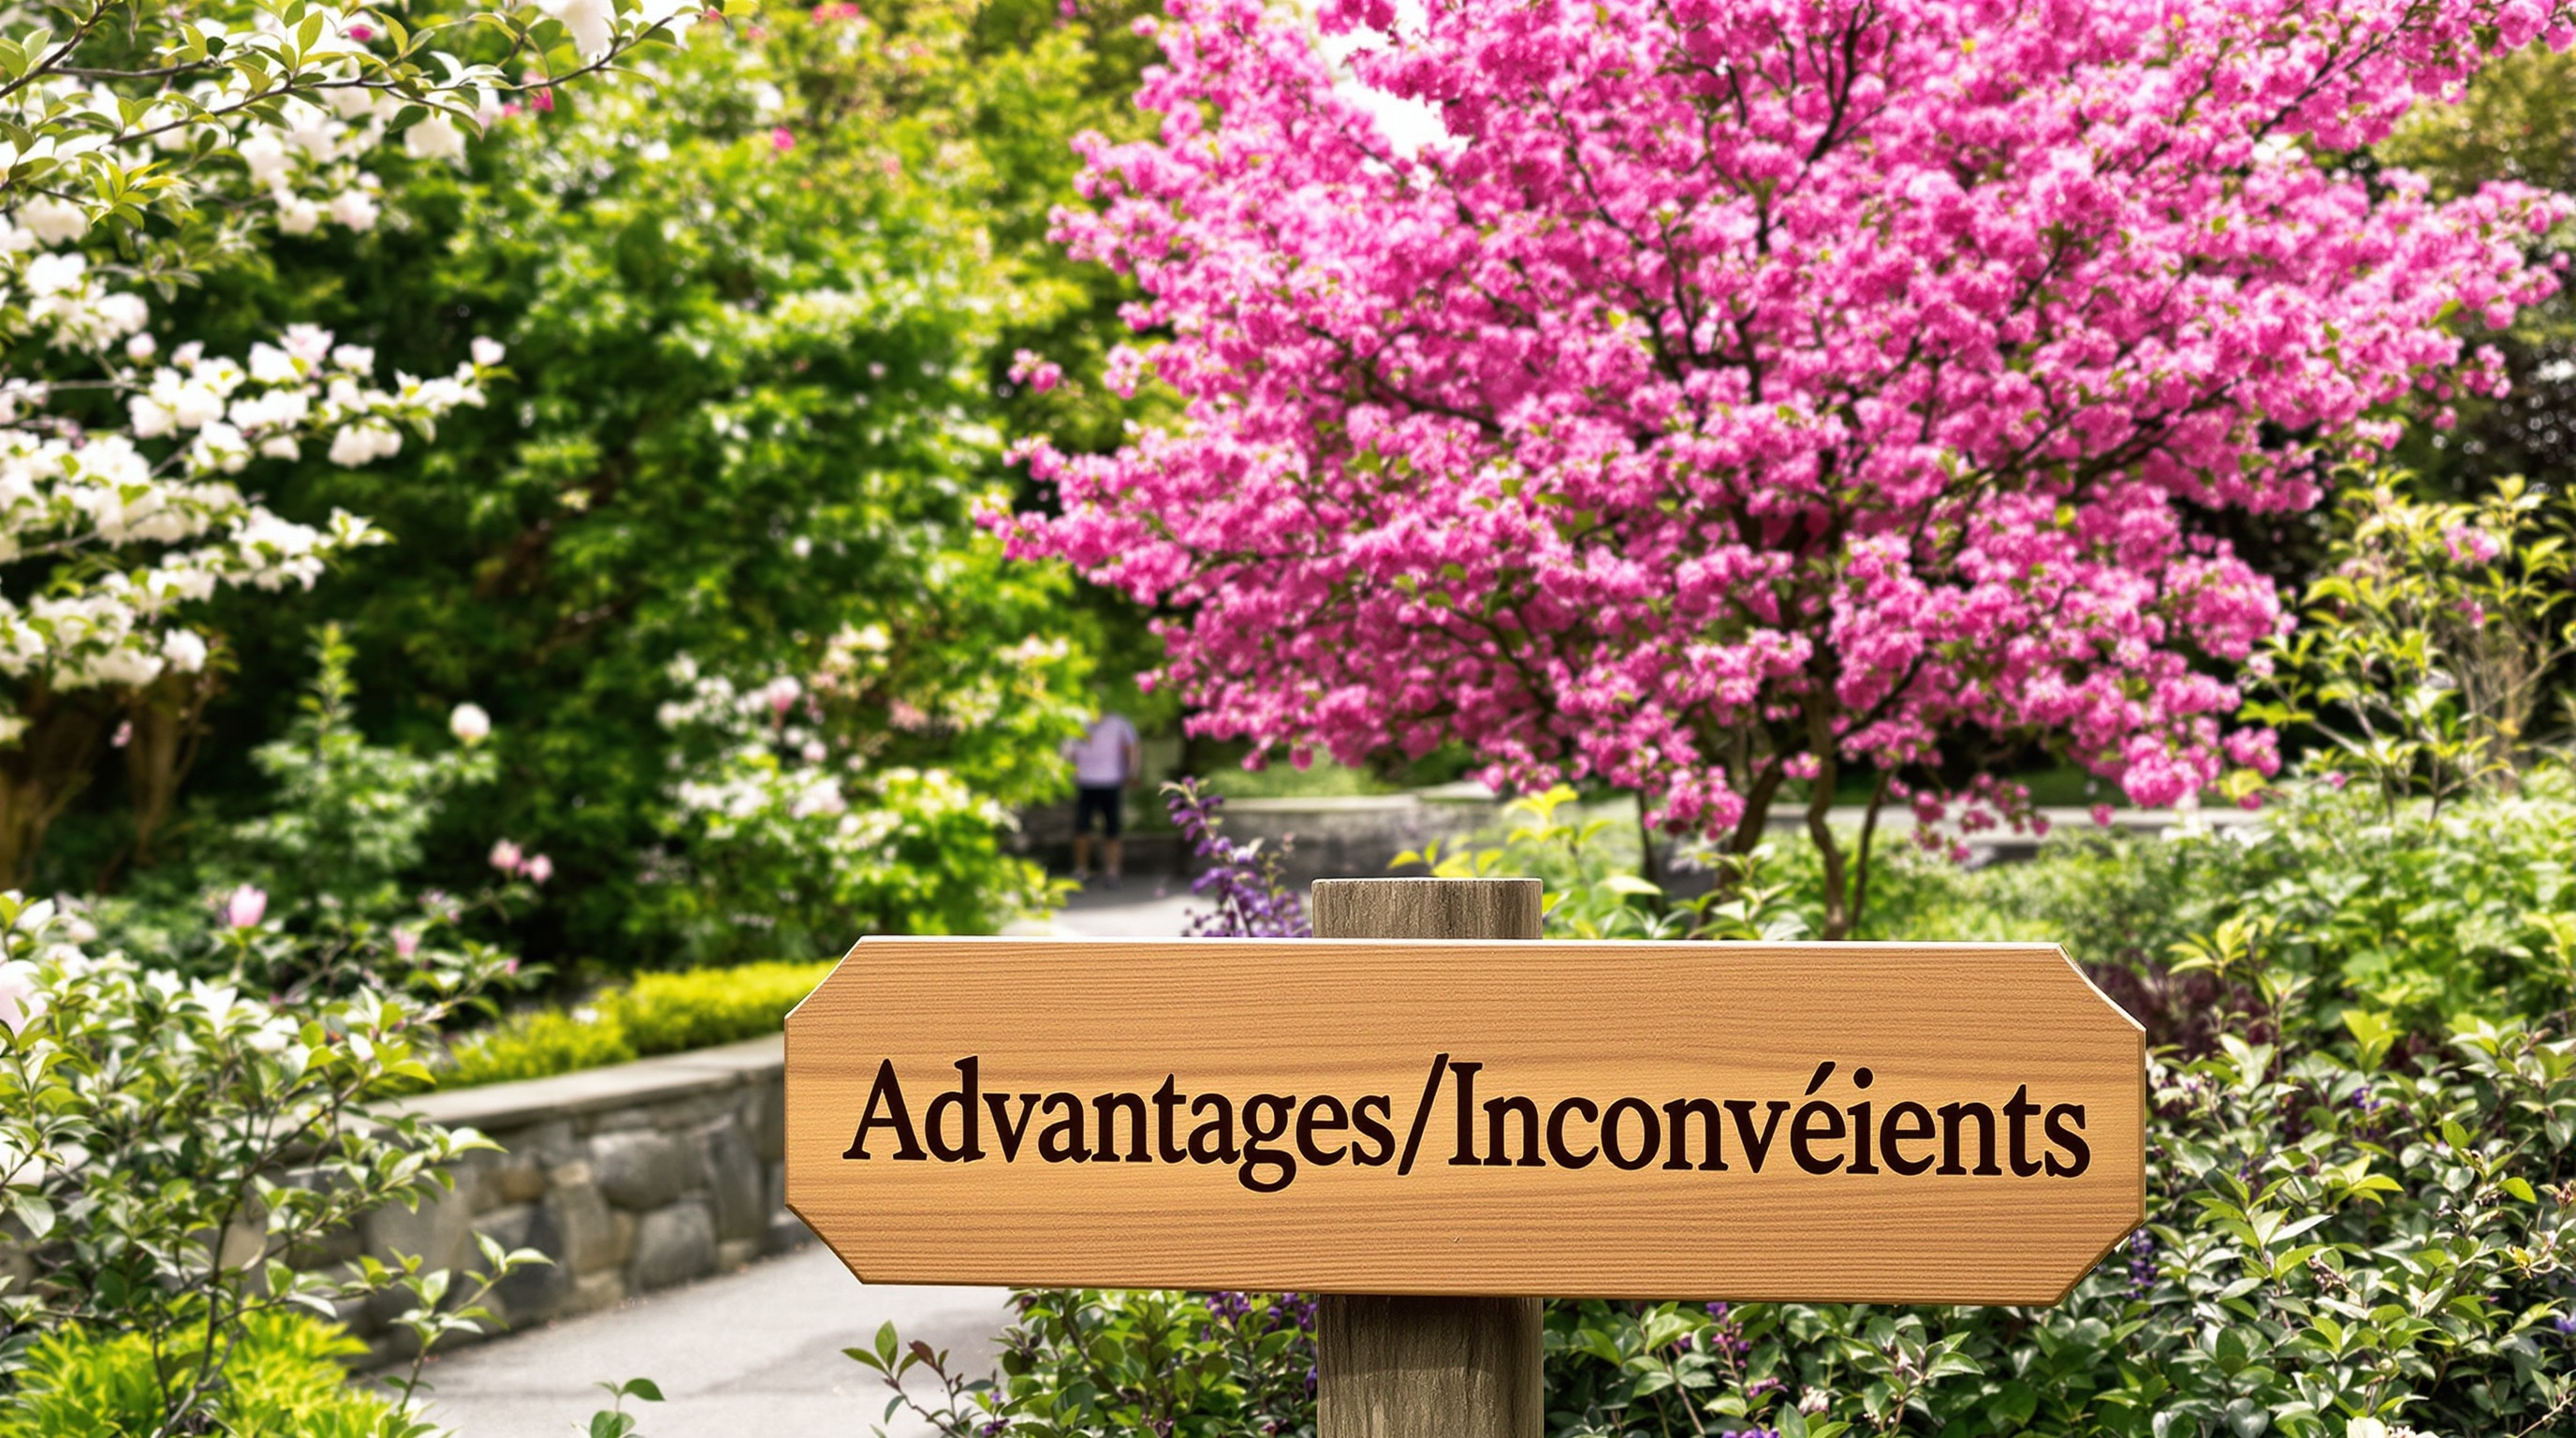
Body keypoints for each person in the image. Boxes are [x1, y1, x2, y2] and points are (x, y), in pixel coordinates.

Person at [1063, 710, 1141, 886]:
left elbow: (1132, 747)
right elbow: (1068, 751)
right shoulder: (1077, 721)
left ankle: (1113, 872)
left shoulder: (1119, 723)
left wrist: (1132, 772)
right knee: (1081, 828)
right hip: (1085, 781)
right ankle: (1081, 869)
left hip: (1111, 781)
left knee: (1112, 829)